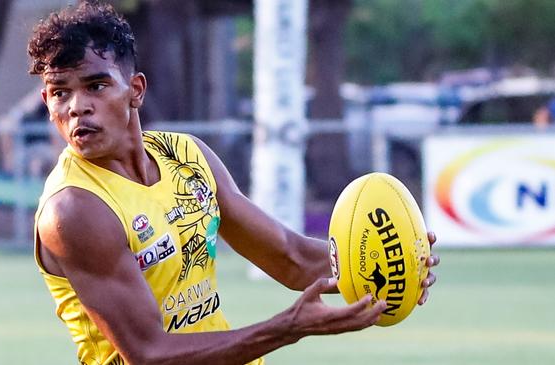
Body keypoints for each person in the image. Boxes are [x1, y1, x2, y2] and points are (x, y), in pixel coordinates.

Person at [29, 2, 439, 365]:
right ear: (48, 104)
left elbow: (291, 257)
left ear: (135, 90)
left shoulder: (186, 157)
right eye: (59, 92)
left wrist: (385, 264)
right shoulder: (74, 210)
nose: (77, 106)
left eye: (96, 85)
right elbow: (150, 354)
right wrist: (287, 327)